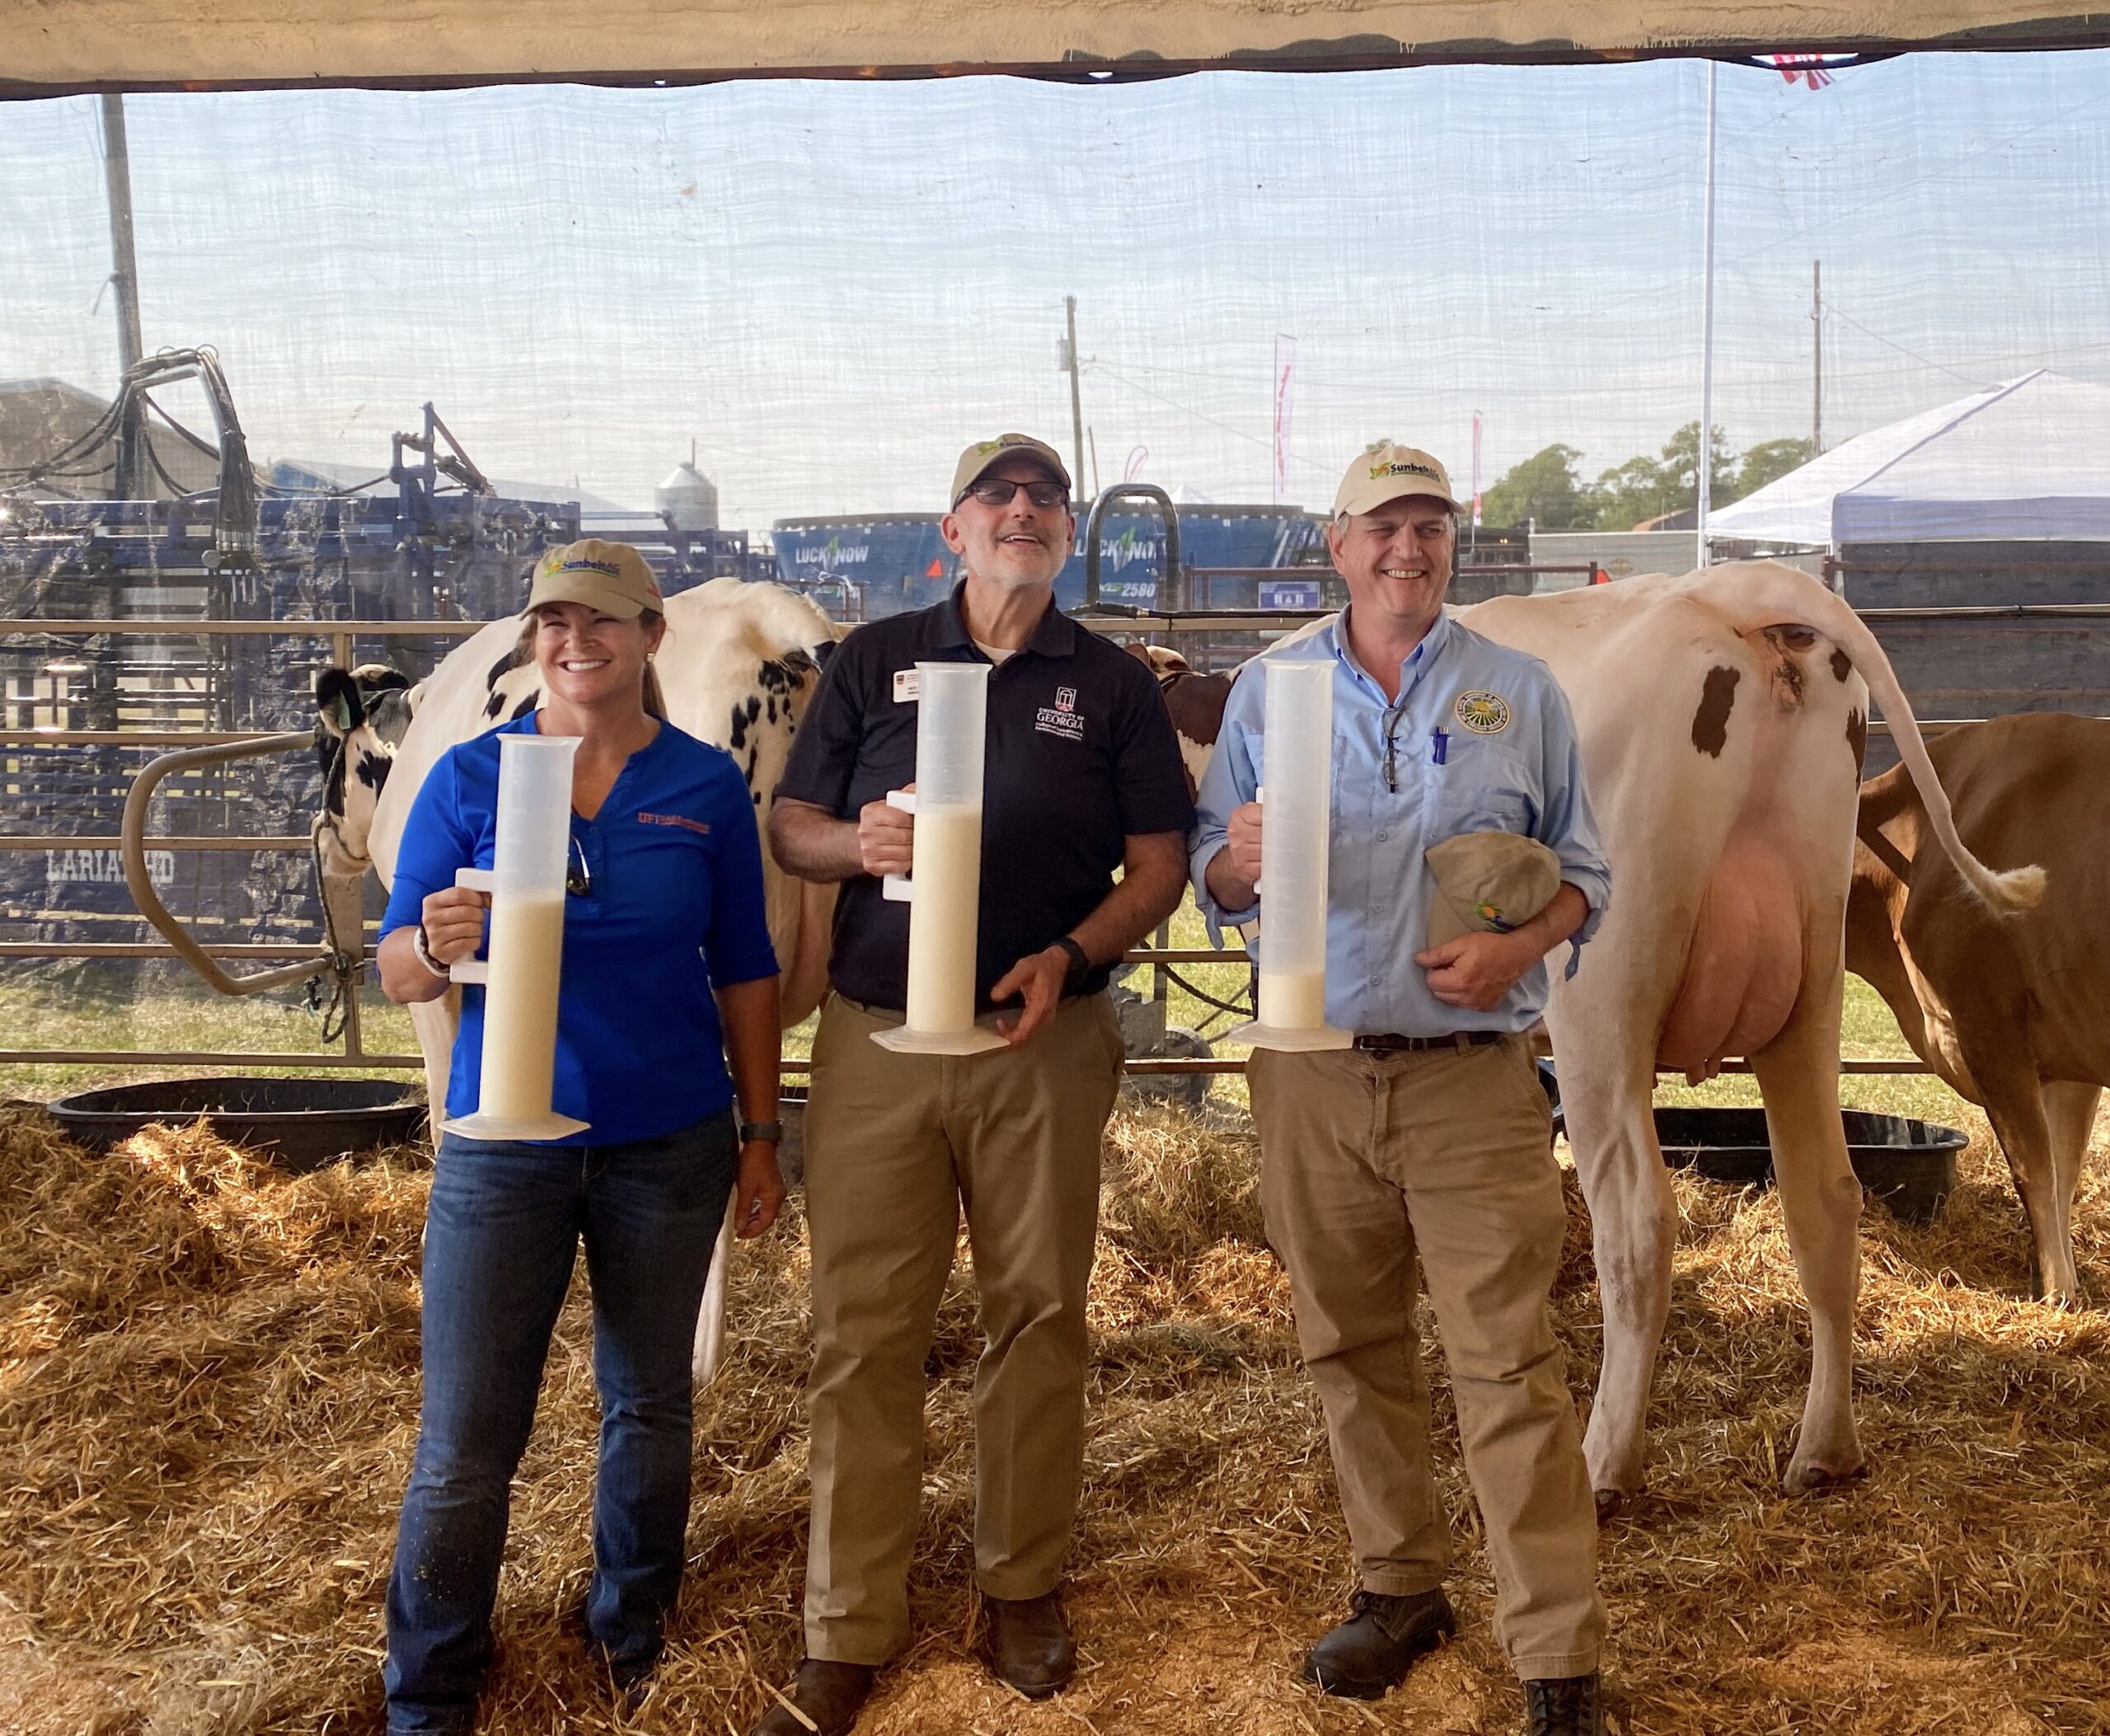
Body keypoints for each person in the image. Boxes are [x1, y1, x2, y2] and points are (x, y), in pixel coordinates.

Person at [753, 434, 1194, 1735]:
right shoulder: (873, 655)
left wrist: (1072, 955)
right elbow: (789, 823)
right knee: (863, 1328)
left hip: (1036, 1041)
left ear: (1067, 535)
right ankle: (849, 1621)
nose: (1022, 512)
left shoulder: (1108, 684)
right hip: (878, 1038)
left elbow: (1160, 864)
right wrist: (852, 839)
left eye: (1044, 499)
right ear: (953, 528)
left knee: (1040, 1312)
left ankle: (1021, 1582)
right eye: (997, 496)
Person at [1192, 445, 1616, 1735]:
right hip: (1310, 1071)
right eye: (1383, 527)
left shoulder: (1520, 691)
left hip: (1470, 1079)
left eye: (1428, 527)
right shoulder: (1271, 692)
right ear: (1338, 544)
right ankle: (1399, 1586)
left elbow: (1585, 872)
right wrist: (1237, 861)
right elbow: (1212, 877)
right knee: (1349, 1345)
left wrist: (1518, 944)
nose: (1407, 550)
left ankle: (1557, 1654)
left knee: (1509, 1366)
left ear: (1450, 546)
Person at [376, 538, 789, 1735]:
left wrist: (760, 1133)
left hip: (668, 1140)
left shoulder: (704, 787)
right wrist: (437, 941)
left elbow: (747, 972)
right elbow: (397, 963)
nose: (576, 639)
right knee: (465, 1432)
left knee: (649, 1401)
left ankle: (634, 1635)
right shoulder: (470, 776)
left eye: (603, 620)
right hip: (503, 1151)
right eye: (555, 619)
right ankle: (431, 1682)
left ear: (650, 638)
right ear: (533, 639)